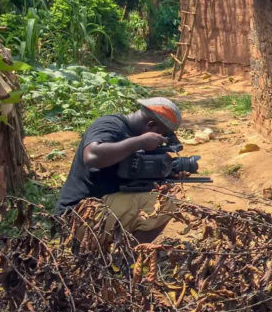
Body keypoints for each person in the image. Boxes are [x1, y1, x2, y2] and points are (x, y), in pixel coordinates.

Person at [54, 97, 190, 241]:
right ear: (151, 125)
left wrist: (169, 173)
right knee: (166, 203)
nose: (162, 138)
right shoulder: (109, 125)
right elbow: (92, 156)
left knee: (165, 195)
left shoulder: (138, 136)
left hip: (103, 207)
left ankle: (119, 255)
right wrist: (139, 143)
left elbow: (135, 173)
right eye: (163, 134)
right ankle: (124, 259)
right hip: (78, 214)